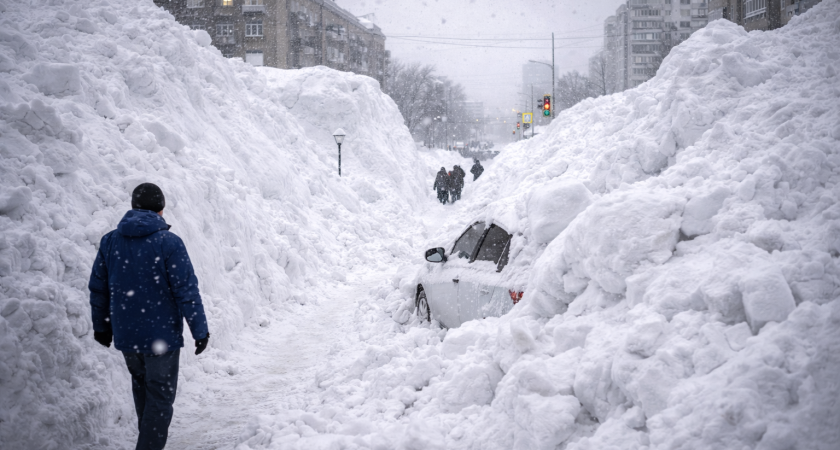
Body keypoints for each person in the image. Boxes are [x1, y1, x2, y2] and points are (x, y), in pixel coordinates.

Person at [89, 183, 209, 450]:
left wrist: (102, 327)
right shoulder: (169, 243)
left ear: (133, 208)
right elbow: (186, 290)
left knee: (143, 388)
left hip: (127, 335)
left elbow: (99, 288)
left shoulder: (110, 241)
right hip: (161, 336)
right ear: (161, 210)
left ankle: (148, 441)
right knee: (160, 397)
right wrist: (199, 330)